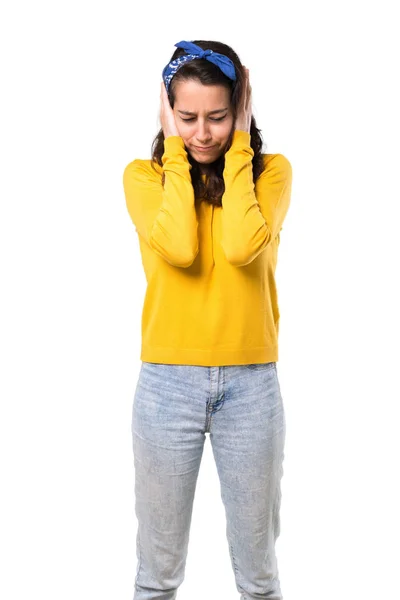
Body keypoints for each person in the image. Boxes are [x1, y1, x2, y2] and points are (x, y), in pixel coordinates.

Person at [122, 39, 292, 600]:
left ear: (239, 109)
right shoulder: (144, 178)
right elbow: (178, 247)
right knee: (157, 576)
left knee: (259, 578)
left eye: (218, 117)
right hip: (167, 384)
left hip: (251, 386)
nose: (202, 133)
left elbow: (244, 247)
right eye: (186, 117)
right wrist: (173, 152)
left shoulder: (271, 175)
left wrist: (239, 146)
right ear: (167, 113)